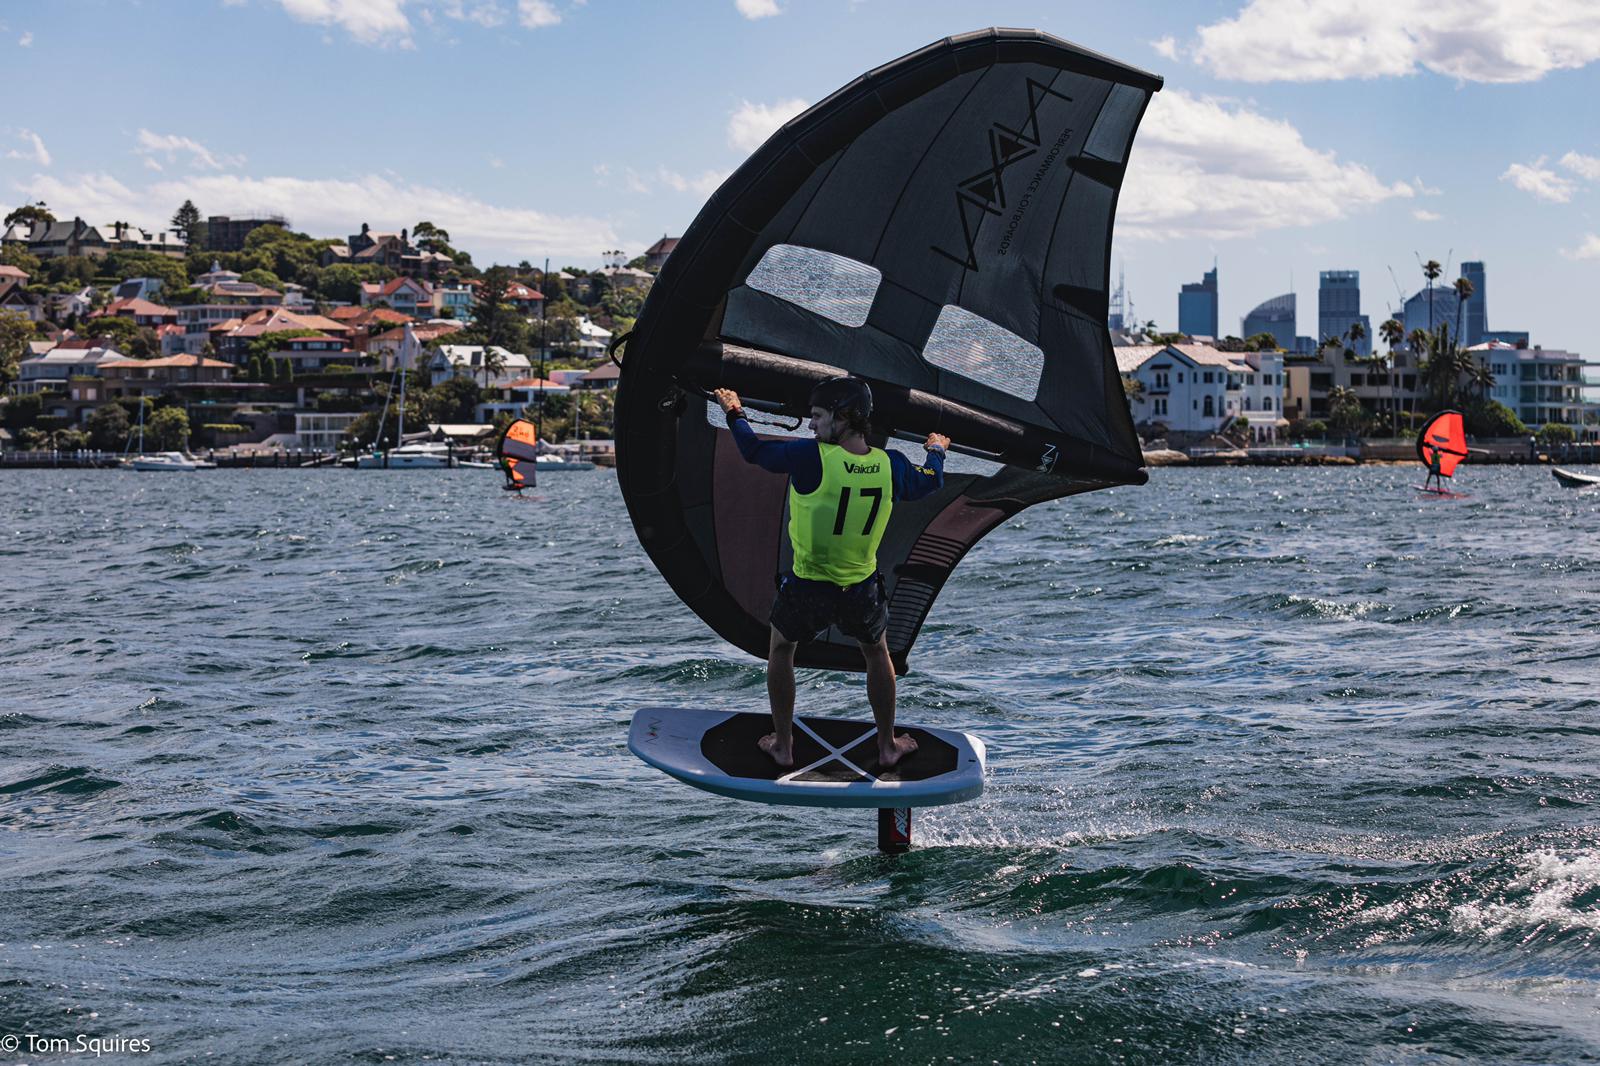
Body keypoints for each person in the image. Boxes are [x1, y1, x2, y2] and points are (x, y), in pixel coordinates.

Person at [712, 377, 949, 770]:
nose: (811, 426)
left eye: (818, 417)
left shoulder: (811, 458)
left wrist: (735, 411)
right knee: (876, 653)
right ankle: (888, 746)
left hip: (807, 587)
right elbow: (932, 480)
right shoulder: (892, 466)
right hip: (861, 588)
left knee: (782, 651)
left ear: (844, 417)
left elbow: (753, 451)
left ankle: (784, 745)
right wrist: (937, 451)